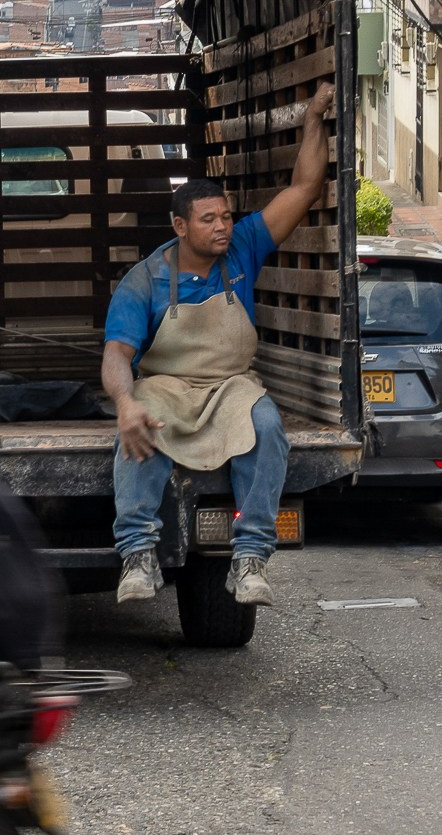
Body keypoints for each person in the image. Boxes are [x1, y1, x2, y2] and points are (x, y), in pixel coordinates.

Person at [105, 81, 336, 609]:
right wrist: (124, 403)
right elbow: (117, 355)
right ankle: (138, 554)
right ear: (180, 226)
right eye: (208, 219)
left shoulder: (245, 248)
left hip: (230, 386)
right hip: (165, 386)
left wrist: (313, 119)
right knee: (138, 426)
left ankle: (251, 558)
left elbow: (304, 187)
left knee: (268, 427)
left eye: (226, 216)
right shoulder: (143, 281)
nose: (222, 227)